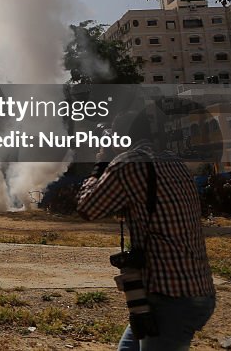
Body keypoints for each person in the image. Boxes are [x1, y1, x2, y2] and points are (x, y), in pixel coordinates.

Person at [76, 113, 215, 351]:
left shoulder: (129, 164)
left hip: (170, 298)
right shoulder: (172, 160)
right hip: (194, 290)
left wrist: (102, 162)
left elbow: (87, 208)